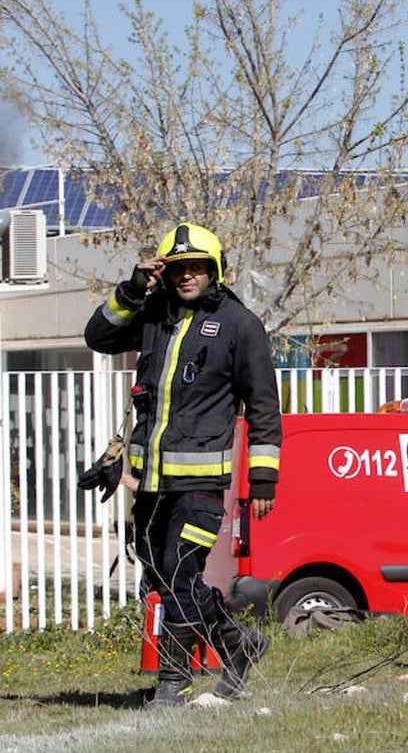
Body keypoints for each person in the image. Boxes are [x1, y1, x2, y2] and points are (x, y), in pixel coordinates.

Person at [84, 223, 282, 708]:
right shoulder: (152, 311)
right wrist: (133, 289)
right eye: (178, 269)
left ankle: (172, 683)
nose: (187, 277)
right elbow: (98, 336)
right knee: (160, 574)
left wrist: (262, 478)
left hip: (200, 482)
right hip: (150, 483)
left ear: (214, 271)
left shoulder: (240, 325)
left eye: (197, 268)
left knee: (178, 572)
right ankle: (239, 642)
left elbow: (263, 407)